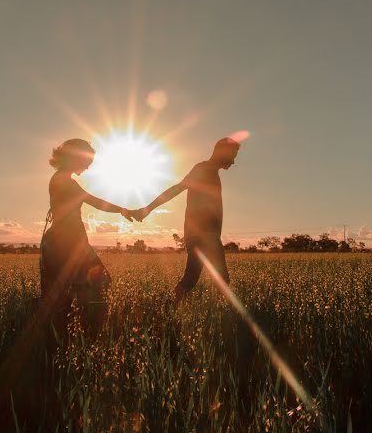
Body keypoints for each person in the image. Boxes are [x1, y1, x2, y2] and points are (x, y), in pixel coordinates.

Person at [40, 138, 135, 338]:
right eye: (87, 161)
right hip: (67, 243)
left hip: (66, 241)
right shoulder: (64, 181)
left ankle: (71, 333)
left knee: (67, 291)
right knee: (94, 283)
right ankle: (86, 332)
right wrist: (122, 210)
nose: (89, 166)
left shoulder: (60, 178)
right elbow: (94, 201)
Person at [134, 137, 241, 301]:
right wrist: (147, 209)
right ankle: (217, 318)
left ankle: (170, 307)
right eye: (233, 155)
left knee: (192, 279)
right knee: (220, 280)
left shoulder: (211, 172)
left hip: (204, 234)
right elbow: (177, 189)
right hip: (203, 234)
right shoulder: (203, 170)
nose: (233, 162)